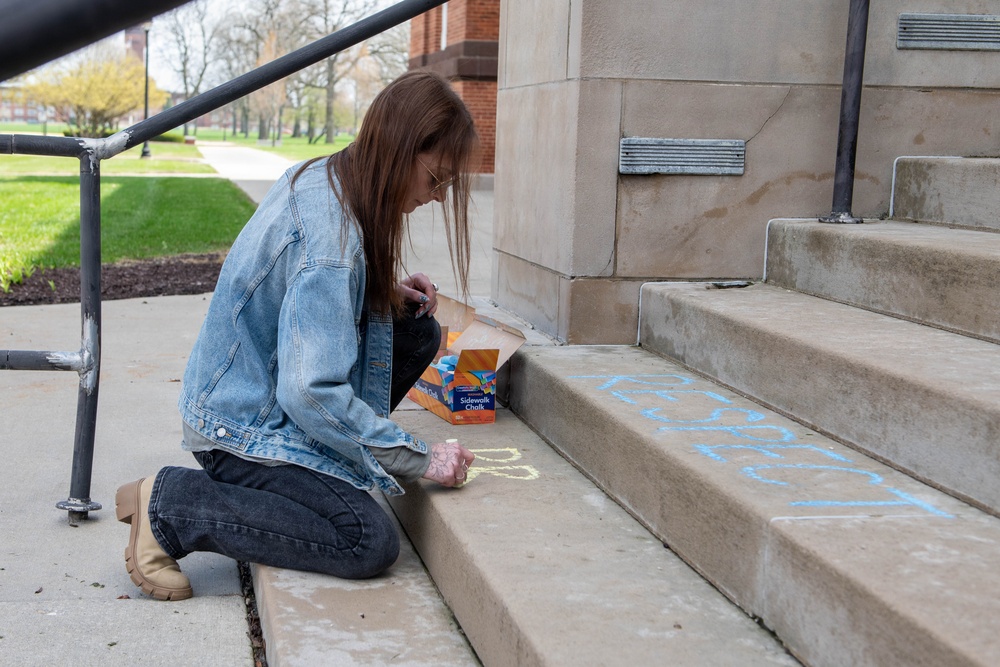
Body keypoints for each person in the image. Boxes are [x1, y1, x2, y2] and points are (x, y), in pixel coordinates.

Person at [114, 70, 479, 601]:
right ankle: (169, 508)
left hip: (247, 391)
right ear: (401, 151)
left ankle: (329, 460)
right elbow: (309, 392)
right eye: (436, 180)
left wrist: (378, 289)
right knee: (365, 539)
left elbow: (301, 291)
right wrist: (417, 457)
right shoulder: (329, 246)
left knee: (417, 331)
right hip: (240, 429)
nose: (439, 198)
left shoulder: (328, 175)